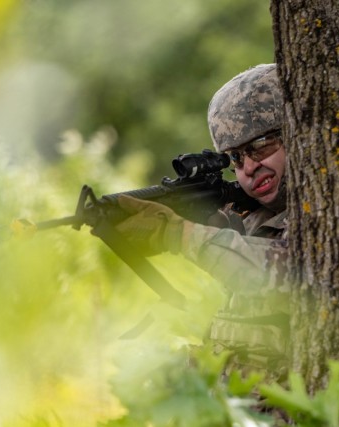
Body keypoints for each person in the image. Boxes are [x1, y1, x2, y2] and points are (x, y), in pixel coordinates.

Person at [112, 63, 290, 379]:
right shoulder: (256, 219)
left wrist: (183, 235)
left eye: (260, 146)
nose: (248, 167)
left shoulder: (329, 214)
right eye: (235, 158)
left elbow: (291, 275)